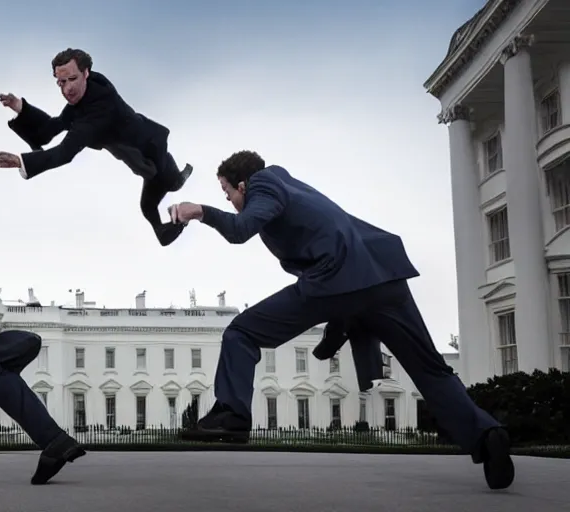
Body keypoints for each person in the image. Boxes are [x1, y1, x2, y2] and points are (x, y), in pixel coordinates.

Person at [168, 150, 515, 490]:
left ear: (242, 185)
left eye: (227, 193)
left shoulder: (265, 185)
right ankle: (487, 435)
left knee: (241, 332)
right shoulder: (288, 183)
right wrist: (336, 328)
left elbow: (239, 230)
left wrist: (198, 211)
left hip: (336, 278)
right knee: (431, 370)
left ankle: (232, 414)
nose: (228, 200)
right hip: (383, 278)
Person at [0, 48, 193, 247]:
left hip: (150, 149)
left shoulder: (97, 111)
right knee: (152, 198)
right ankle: (175, 194)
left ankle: (179, 202)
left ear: (86, 73)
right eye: (60, 82)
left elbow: (64, 153)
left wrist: (20, 161)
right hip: (141, 151)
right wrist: (20, 107)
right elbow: (50, 129)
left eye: (72, 79)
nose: (66, 89)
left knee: (157, 195)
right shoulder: (84, 97)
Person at [0, 330, 86, 485]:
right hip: (5, 363)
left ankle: (54, 441)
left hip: (8, 357)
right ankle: (54, 442)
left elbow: (30, 341)